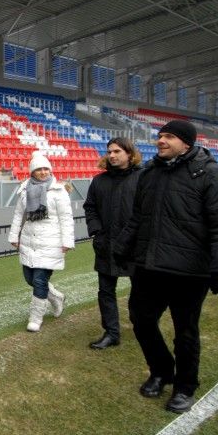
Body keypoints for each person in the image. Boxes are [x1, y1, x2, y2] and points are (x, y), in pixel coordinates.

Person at [113, 120, 218, 414]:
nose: (161, 140)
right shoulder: (149, 173)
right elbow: (138, 217)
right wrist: (121, 248)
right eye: (160, 136)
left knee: (185, 332)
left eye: (169, 136)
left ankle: (185, 386)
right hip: (150, 265)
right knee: (141, 320)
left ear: (186, 143)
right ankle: (161, 371)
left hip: (190, 271)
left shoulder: (211, 173)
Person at [83, 137, 142, 349]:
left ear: (129, 154)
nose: (112, 155)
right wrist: (96, 231)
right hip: (106, 244)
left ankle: (141, 325)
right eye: (109, 151)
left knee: (140, 291)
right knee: (105, 291)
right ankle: (111, 333)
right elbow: (90, 207)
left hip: (135, 246)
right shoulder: (99, 181)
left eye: (117, 151)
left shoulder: (142, 178)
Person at [8, 152, 74, 332]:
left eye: (46, 168)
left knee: (39, 280)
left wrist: (67, 241)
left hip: (51, 241)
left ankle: (36, 318)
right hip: (29, 239)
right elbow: (19, 215)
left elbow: (66, 218)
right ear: (32, 172)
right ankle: (56, 297)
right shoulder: (24, 189)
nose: (43, 172)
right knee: (30, 278)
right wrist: (14, 236)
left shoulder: (59, 191)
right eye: (39, 169)